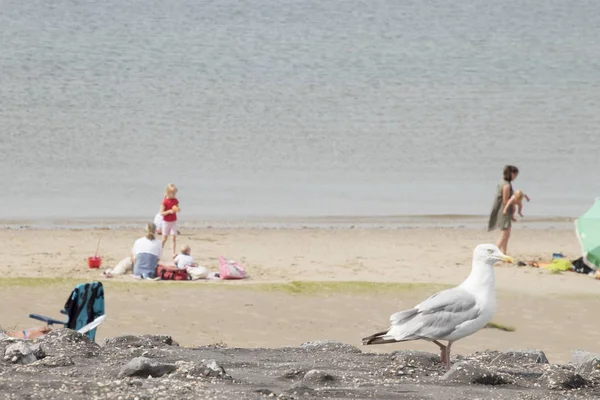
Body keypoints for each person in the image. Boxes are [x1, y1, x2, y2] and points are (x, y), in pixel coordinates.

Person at [488, 165, 520, 255]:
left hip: (504, 211)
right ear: (511, 174)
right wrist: (515, 202)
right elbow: (506, 201)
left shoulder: (503, 182)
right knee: (504, 235)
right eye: (515, 175)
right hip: (503, 211)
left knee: (507, 234)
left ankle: (504, 253)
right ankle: (494, 254)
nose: (515, 177)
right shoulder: (506, 185)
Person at [160, 183, 180, 258]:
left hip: (173, 221)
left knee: (173, 237)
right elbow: (161, 213)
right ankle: (159, 251)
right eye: (173, 193)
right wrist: (169, 211)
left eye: (175, 193)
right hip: (166, 222)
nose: (174, 195)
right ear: (168, 193)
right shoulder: (164, 201)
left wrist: (177, 209)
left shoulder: (175, 200)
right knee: (164, 238)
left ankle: (173, 253)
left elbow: (177, 207)